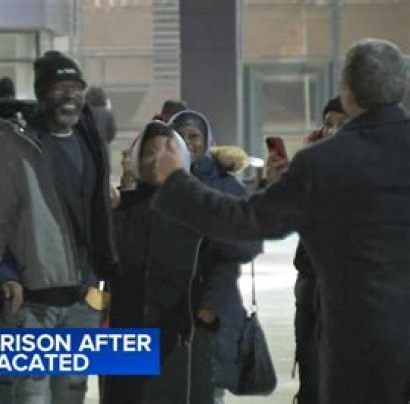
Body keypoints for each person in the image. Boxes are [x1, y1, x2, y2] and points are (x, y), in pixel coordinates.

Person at [150, 38, 410, 404]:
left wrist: (176, 181)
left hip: (359, 347)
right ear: (402, 87)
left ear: (347, 92)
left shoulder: (322, 163)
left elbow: (244, 221)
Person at [0, 50, 119, 404]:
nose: (70, 97)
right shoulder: (14, 146)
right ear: (42, 94)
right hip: (34, 304)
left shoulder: (90, 139)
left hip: (85, 299)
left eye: (76, 89)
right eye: (60, 89)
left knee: (71, 396)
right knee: (32, 398)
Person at [104, 121, 210, 404]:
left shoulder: (194, 208)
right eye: (149, 153)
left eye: (165, 153)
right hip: (125, 326)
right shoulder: (121, 206)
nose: (155, 161)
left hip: (173, 329)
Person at [169, 111, 263, 404]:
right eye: (180, 136)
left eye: (194, 136)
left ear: (207, 141)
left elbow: (247, 247)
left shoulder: (226, 186)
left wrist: (211, 305)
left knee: (206, 390)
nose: (187, 142)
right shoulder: (158, 183)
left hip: (210, 308)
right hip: (166, 309)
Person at [264, 96, 348, 404]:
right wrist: (275, 186)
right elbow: (275, 221)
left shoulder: (374, 169)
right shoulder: (309, 167)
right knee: (312, 370)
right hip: (310, 283)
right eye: (328, 124)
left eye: (342, 124)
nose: (333, 130)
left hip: (352, 289)